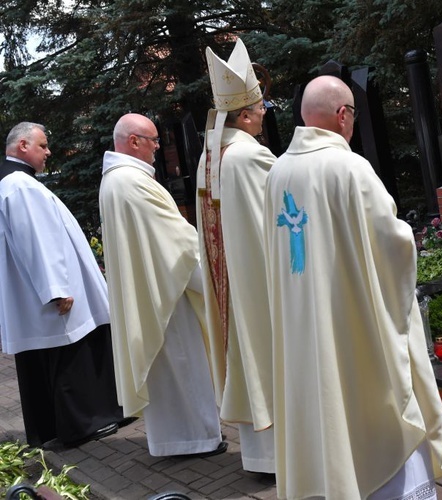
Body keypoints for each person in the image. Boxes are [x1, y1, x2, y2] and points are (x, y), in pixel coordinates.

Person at [263, 75, 442, 499]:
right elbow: (392, 244)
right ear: (342, 116)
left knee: (323, 409)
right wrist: (409, 236)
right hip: (353, 324)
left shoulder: (277, 171)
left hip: (302, 326)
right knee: (378, 396)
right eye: (352, 114)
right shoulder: (350, 167)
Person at [98, 113, 226, 458]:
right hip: (165, 294)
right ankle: (195, 439)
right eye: (153, 140)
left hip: (150, 288)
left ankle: (174, 439)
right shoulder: (131, 182)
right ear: (133, 141)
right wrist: (214, 273)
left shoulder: (115, 179)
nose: (158, 147)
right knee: (182, 362)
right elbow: (178, 242)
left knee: (168, 370)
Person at [0, 122, 124, 449]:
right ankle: (84, 425)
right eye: (43, 145)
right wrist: (55, 288)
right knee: (70, 358)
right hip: (55, 295)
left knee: (51, 362)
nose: (48, 151)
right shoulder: (20, 185)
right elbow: (36, 240)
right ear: (23, 145)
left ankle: (53, 428)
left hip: (40, 294)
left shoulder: (16, 182)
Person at [197, 39, 275, 473]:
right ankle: (281, 459)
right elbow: (279, 220)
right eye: (260, 107)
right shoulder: (248, 155)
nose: (265, 113)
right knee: (265, 357)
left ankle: (261, 458)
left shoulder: (211, 153)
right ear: (243, 114)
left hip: (230, 281)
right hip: (257, 282)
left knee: (247, 357)